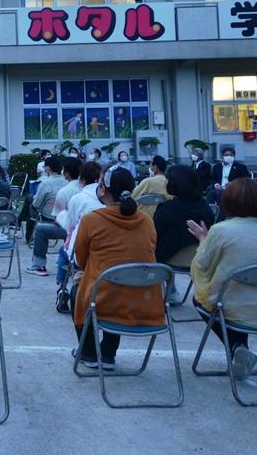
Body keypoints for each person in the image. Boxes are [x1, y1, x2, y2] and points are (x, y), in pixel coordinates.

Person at [188, 179, 257, 380]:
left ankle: (236, 347)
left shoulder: (221, 230)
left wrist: (203, 239)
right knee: (233, 291)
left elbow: (203, 265)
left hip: (233, 305)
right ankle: (239, 348)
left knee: (203, 298)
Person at [71, 168, 164, 369]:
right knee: (119, 284)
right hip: (145, 301)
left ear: (102, 190)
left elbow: (81, 260)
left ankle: (88, 353)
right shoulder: (146, 221)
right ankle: (108, 353)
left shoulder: (91, 219)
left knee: (78, 289)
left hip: (103, 300)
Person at [153, 165, 216, 265]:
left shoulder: (165, 210)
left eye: (168, 179)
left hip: (170, 261)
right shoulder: (206, 208)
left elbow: (154, 237)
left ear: (174, 182)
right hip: (200, 260)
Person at [27, 157, 71, 277]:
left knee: (38, 225)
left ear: (48, 168)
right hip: (68, 220)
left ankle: (39, 265)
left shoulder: (45, 183)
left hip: (50, 218)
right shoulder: (67, 182)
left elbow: (36, 204)